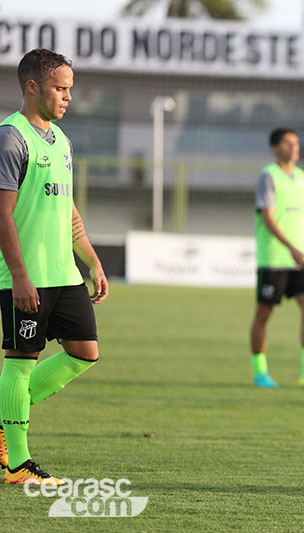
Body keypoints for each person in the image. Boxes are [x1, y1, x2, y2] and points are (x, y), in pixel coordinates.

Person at [0, 49, 109, 485]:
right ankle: (17, 463)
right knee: (22, 360)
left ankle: (5, 417)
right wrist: (20, 276)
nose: (67, 97)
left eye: (70, 90)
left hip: (65, 274)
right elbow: (2, 214)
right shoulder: (12, 137)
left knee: (85, 352)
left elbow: (68, 211)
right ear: (33, 87)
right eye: (60, 88)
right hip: (25, 277)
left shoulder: (61, 141)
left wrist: (93, 261)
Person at [249, 128, 304, 389]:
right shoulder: (268, 176)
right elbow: (268, 217)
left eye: (296, 143)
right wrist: (291, 247)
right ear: (275, 148)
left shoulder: (301, 177)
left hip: (299, 260)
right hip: (274, 259)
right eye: (288, 143)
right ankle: (260, 372)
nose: (294, 147)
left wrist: (300, 249)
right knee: (264, 314)